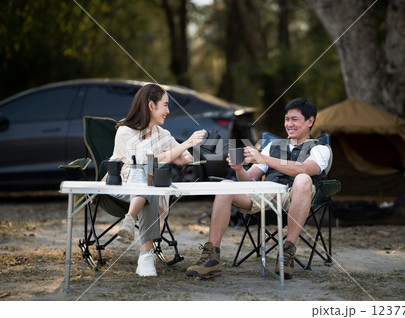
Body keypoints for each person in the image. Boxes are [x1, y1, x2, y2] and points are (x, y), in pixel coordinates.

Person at [186, 97, 331, 279]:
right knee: (225, 186)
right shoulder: (272, 147)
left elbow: (303, 169)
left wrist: (263, 159)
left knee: (302, 179)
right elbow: (249, 180)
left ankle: (287, 252)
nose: (289, 124)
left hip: (295, 197)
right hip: (265, 195)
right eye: (287, 119)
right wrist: (239, 169)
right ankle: (212, 257)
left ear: (310, 121)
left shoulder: (320, 149)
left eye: (295, 119)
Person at [109, 83, 206, 277]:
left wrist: (182, 154)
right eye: (165, 105)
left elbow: (186, 158)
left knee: (151, 181)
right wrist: (180, 147)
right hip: (121, 184)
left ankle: (130, 219)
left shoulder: (164, 135)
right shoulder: (125, 131)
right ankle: (146, 256)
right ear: (151, 106)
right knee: (148, 173)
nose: (168, 111)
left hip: (149, 188)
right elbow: (145, 160)